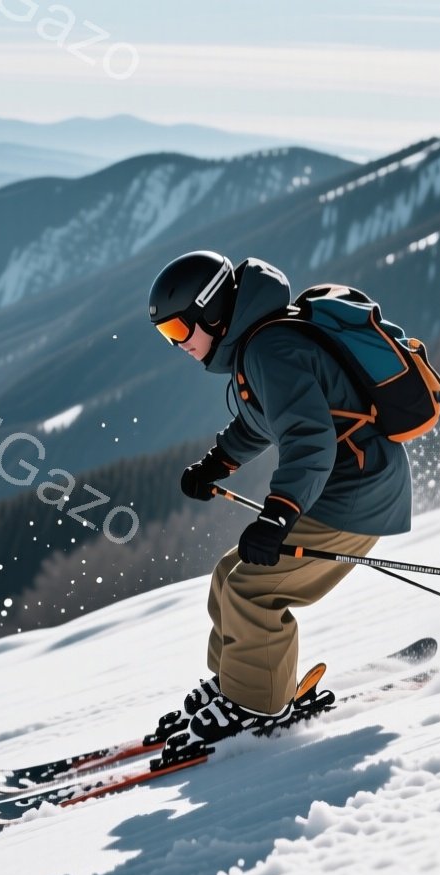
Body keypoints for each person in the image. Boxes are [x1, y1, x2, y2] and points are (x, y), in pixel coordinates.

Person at [146, 250, 414, 750]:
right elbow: (259, 421)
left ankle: (256, 704)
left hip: (356, 494)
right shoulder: (261, 344)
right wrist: (216, 464)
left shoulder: (269, 349)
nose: (179, 346)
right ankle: (238, 687)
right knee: (230, 575)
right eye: (168, 337)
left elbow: (311, 439)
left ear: (211, 311)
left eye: (180, 332)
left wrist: (278, 514)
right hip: (345, 487)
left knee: (254, 590)